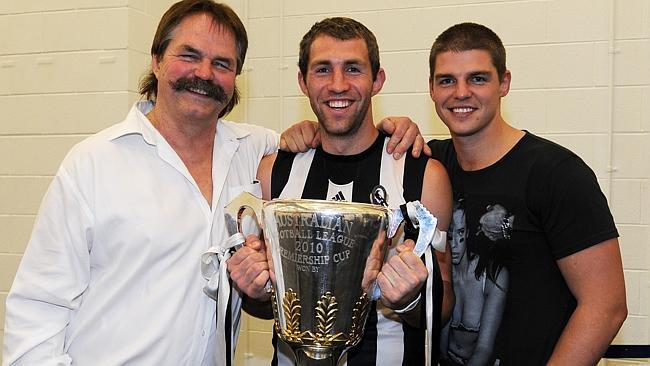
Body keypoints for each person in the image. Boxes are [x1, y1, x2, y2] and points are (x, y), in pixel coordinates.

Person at [1, 1, 423, 365]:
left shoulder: (255, 151)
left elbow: (338, 135)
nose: (204, 73)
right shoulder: (93, 164)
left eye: (222, 64)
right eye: (189, 55)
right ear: (157, 60)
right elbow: (36, 311)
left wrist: (395, 130)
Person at [226, 17, 454, 366]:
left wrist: (409, 300)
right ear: (302, 81)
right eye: (322, 70)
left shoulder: (423, 175)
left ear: (377, 79)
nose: (337, 84)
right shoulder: (276, 170)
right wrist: (252, 289)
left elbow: (444, 305)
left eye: (353, 69)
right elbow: (267, 305)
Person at [424, 22, 627, 365]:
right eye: (447, 80)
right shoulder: (430, 165)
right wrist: (305, 137)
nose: (461, 92)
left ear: (504, 83)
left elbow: (606, 306)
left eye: (478, 78)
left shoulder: (556, 173)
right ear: (431, 89)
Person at [439, 199, 508, 366]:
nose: (454, 243)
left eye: (460, 232)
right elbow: (439, 344)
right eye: (449, 235)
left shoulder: (493, 276)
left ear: (468, 232)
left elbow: (484, 349)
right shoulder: (440, 274)